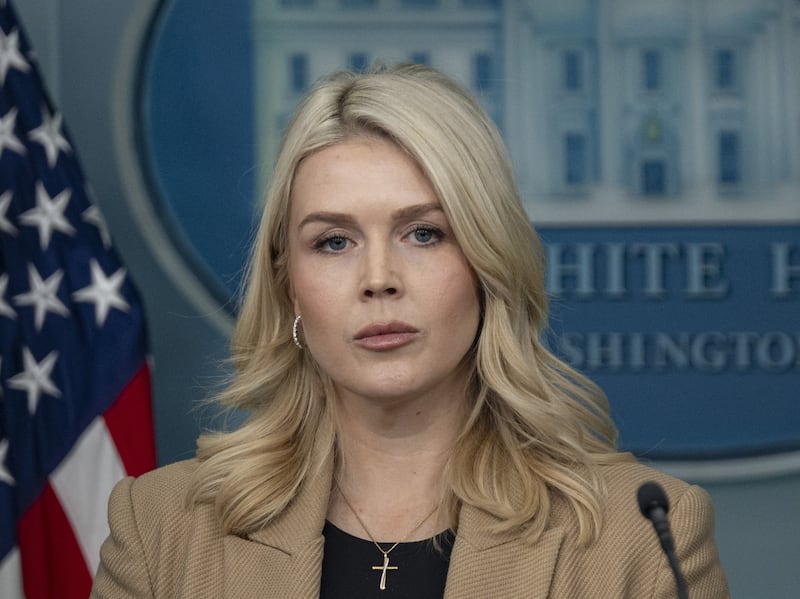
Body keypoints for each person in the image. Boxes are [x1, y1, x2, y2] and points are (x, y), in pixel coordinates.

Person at [91, 63, 729, 598]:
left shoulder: (641, 535)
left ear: (487, 263)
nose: (379, 278)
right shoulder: (160, 528)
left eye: (424, 233)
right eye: (334, 241)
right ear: (288, 284)